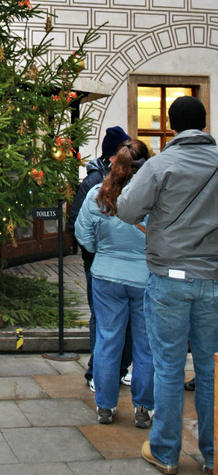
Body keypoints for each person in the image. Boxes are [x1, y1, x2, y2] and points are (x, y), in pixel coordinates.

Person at [117, 96, 218, 475]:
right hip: (212, 279)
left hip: (169, 279)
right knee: (209, 370)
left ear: (172, 126)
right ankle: (212, 454)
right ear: (204, 124)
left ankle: (165, 452)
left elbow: (127, 209)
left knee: (170, 367)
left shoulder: (161, 165)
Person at [75, 139, 153, 426]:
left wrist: (102, 252)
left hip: (106, 274)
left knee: (108, 340)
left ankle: (105, 406)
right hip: (145, 276)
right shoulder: (154, 198)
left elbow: (83, 234)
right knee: (146, 344)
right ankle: (143, 407)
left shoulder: (98, 194)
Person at [67, 126, 132, 391]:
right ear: (112, 155)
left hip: (127, 264)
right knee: (103, 319)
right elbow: (76, 224)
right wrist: (94, 253)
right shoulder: (93, 182)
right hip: (99, 264)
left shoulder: (134, 178)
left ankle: (120, 369)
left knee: (127, 321)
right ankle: (97, 371)